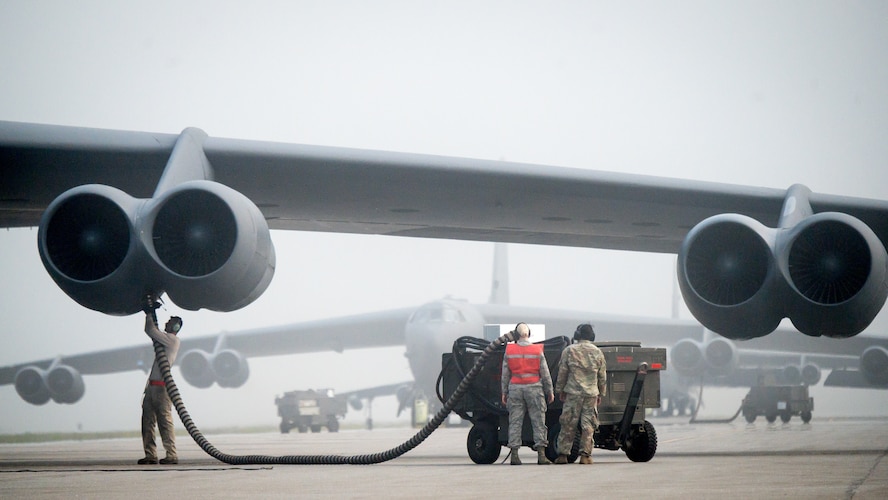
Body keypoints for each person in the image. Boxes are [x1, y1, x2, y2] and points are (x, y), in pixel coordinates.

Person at [500, 322, 555, 465]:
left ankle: (514, 455)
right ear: (528, 334)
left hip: (515, 389)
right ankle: (541, 455)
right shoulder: (537, 350)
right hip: (535, 389)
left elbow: (505, 374)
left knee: (515, 422)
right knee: (538, 422)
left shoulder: (510, 351)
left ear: (516, 335)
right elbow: (545, 373)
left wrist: (504, 392)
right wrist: (550, 391)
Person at [554, 323, 606, 465]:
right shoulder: (597, 352)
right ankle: (585, 455)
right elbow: (602, 376)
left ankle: (563, 455)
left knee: (568, 424)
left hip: (572, 393)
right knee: (588, 425)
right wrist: (601, 393)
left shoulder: (569, 351)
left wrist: (560, 390)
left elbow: (562, 372)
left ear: (577, 335)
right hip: (591, 394)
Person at [138, 306, 182, 465]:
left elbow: (150, 330)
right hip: (152, 387)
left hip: (163, 388)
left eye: (170, 322)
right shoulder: (164, 340)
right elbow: (150, 330)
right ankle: (150, 454)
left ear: (175, 327)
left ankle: (171, 454)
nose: (166, 323)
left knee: (165, 422)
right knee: (147, 422)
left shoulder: (172, 340)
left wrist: (149, 312)